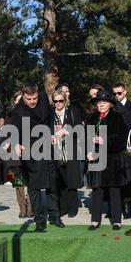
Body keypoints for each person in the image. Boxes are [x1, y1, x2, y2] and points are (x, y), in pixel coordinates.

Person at [10, 84, 53, 232]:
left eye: (35, 98)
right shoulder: (17, 111)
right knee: (34, 186)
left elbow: (50, 117)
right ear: (23, 96)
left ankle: (55, 215)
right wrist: (16, 144)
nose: (33, 101)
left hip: (48, 144)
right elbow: (14, 130)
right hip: (30, 149)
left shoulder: (44, 99)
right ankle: (39, 219)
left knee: (52, 182)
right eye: (29, 99)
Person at [86, 90, 128, 231]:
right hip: (96, 158)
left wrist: (105, 140)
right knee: (97, 190)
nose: (101, 104)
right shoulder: (91, 118)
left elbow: (122, 139)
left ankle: (116, 220)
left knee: (114, 190)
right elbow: (84, 139)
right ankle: (95, 220)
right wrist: (87, 152)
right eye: (99, 102)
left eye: (104, 102)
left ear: (110, 104)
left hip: (112, 159)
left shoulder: (118, 118)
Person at [49, 89, 83, 219]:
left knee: (72, 180)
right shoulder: (51, 113)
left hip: (71, 148)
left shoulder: (72, 111)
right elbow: (47, 127)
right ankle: (63, 207)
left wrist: (67, 131)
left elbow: (79, 129)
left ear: (65, 100)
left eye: (60, 101)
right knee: (60, 181)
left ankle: (73, 208)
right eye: (55, 101)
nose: (58, 103)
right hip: (56, 149)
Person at [112, 82, 131, 218]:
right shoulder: (113, 108)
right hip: (117, 148)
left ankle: (129, 203)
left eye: (119, 93)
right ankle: (118, 205)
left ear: (125, 92)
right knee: (118, 177)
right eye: (115, 93)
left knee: (130, 177)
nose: (117, 96)